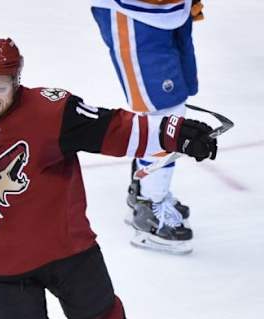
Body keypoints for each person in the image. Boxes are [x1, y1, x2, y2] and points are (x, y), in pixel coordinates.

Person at [0, 37, 216, 319]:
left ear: (16, 82)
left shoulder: (52, 113)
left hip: (69, 254)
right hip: (0, 264)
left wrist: (173, 133)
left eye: (0, 87)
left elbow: (113, 128)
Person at [90, 0, 206, 254]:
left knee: (176, 102)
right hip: (136, 12)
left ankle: (144, 189)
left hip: (173, 9)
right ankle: (149, 205)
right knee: (164, 112)